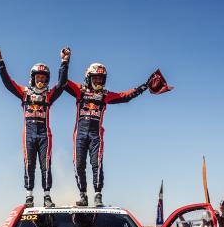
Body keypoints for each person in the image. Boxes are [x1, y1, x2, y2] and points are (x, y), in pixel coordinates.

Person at [65, 64, 156, 207]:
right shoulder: (79, 90)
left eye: (101, 79)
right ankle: (83, 195)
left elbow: (124, 96)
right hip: (80, 134)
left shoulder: (105, 95)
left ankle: (98, 195)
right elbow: (63, 82)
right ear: (88, 78)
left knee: (96, 164)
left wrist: (143, 87)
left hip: (96, 135)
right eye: (95, 78)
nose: (98, 81)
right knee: (79, 164)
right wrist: (65, 62)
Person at [0, 45, 70, 208]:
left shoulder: (49, 95)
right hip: (28, 134)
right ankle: (29, 196)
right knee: (29, 163)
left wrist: (64, 62)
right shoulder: (24, 93)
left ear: (47, 80)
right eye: (38, 78)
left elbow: (62, 84)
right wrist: (0, 61)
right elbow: (8, 83)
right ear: (33, 78)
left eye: (43, 78)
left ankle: (47, 196)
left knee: (45, 164)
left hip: (44, 135)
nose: (40, 81)